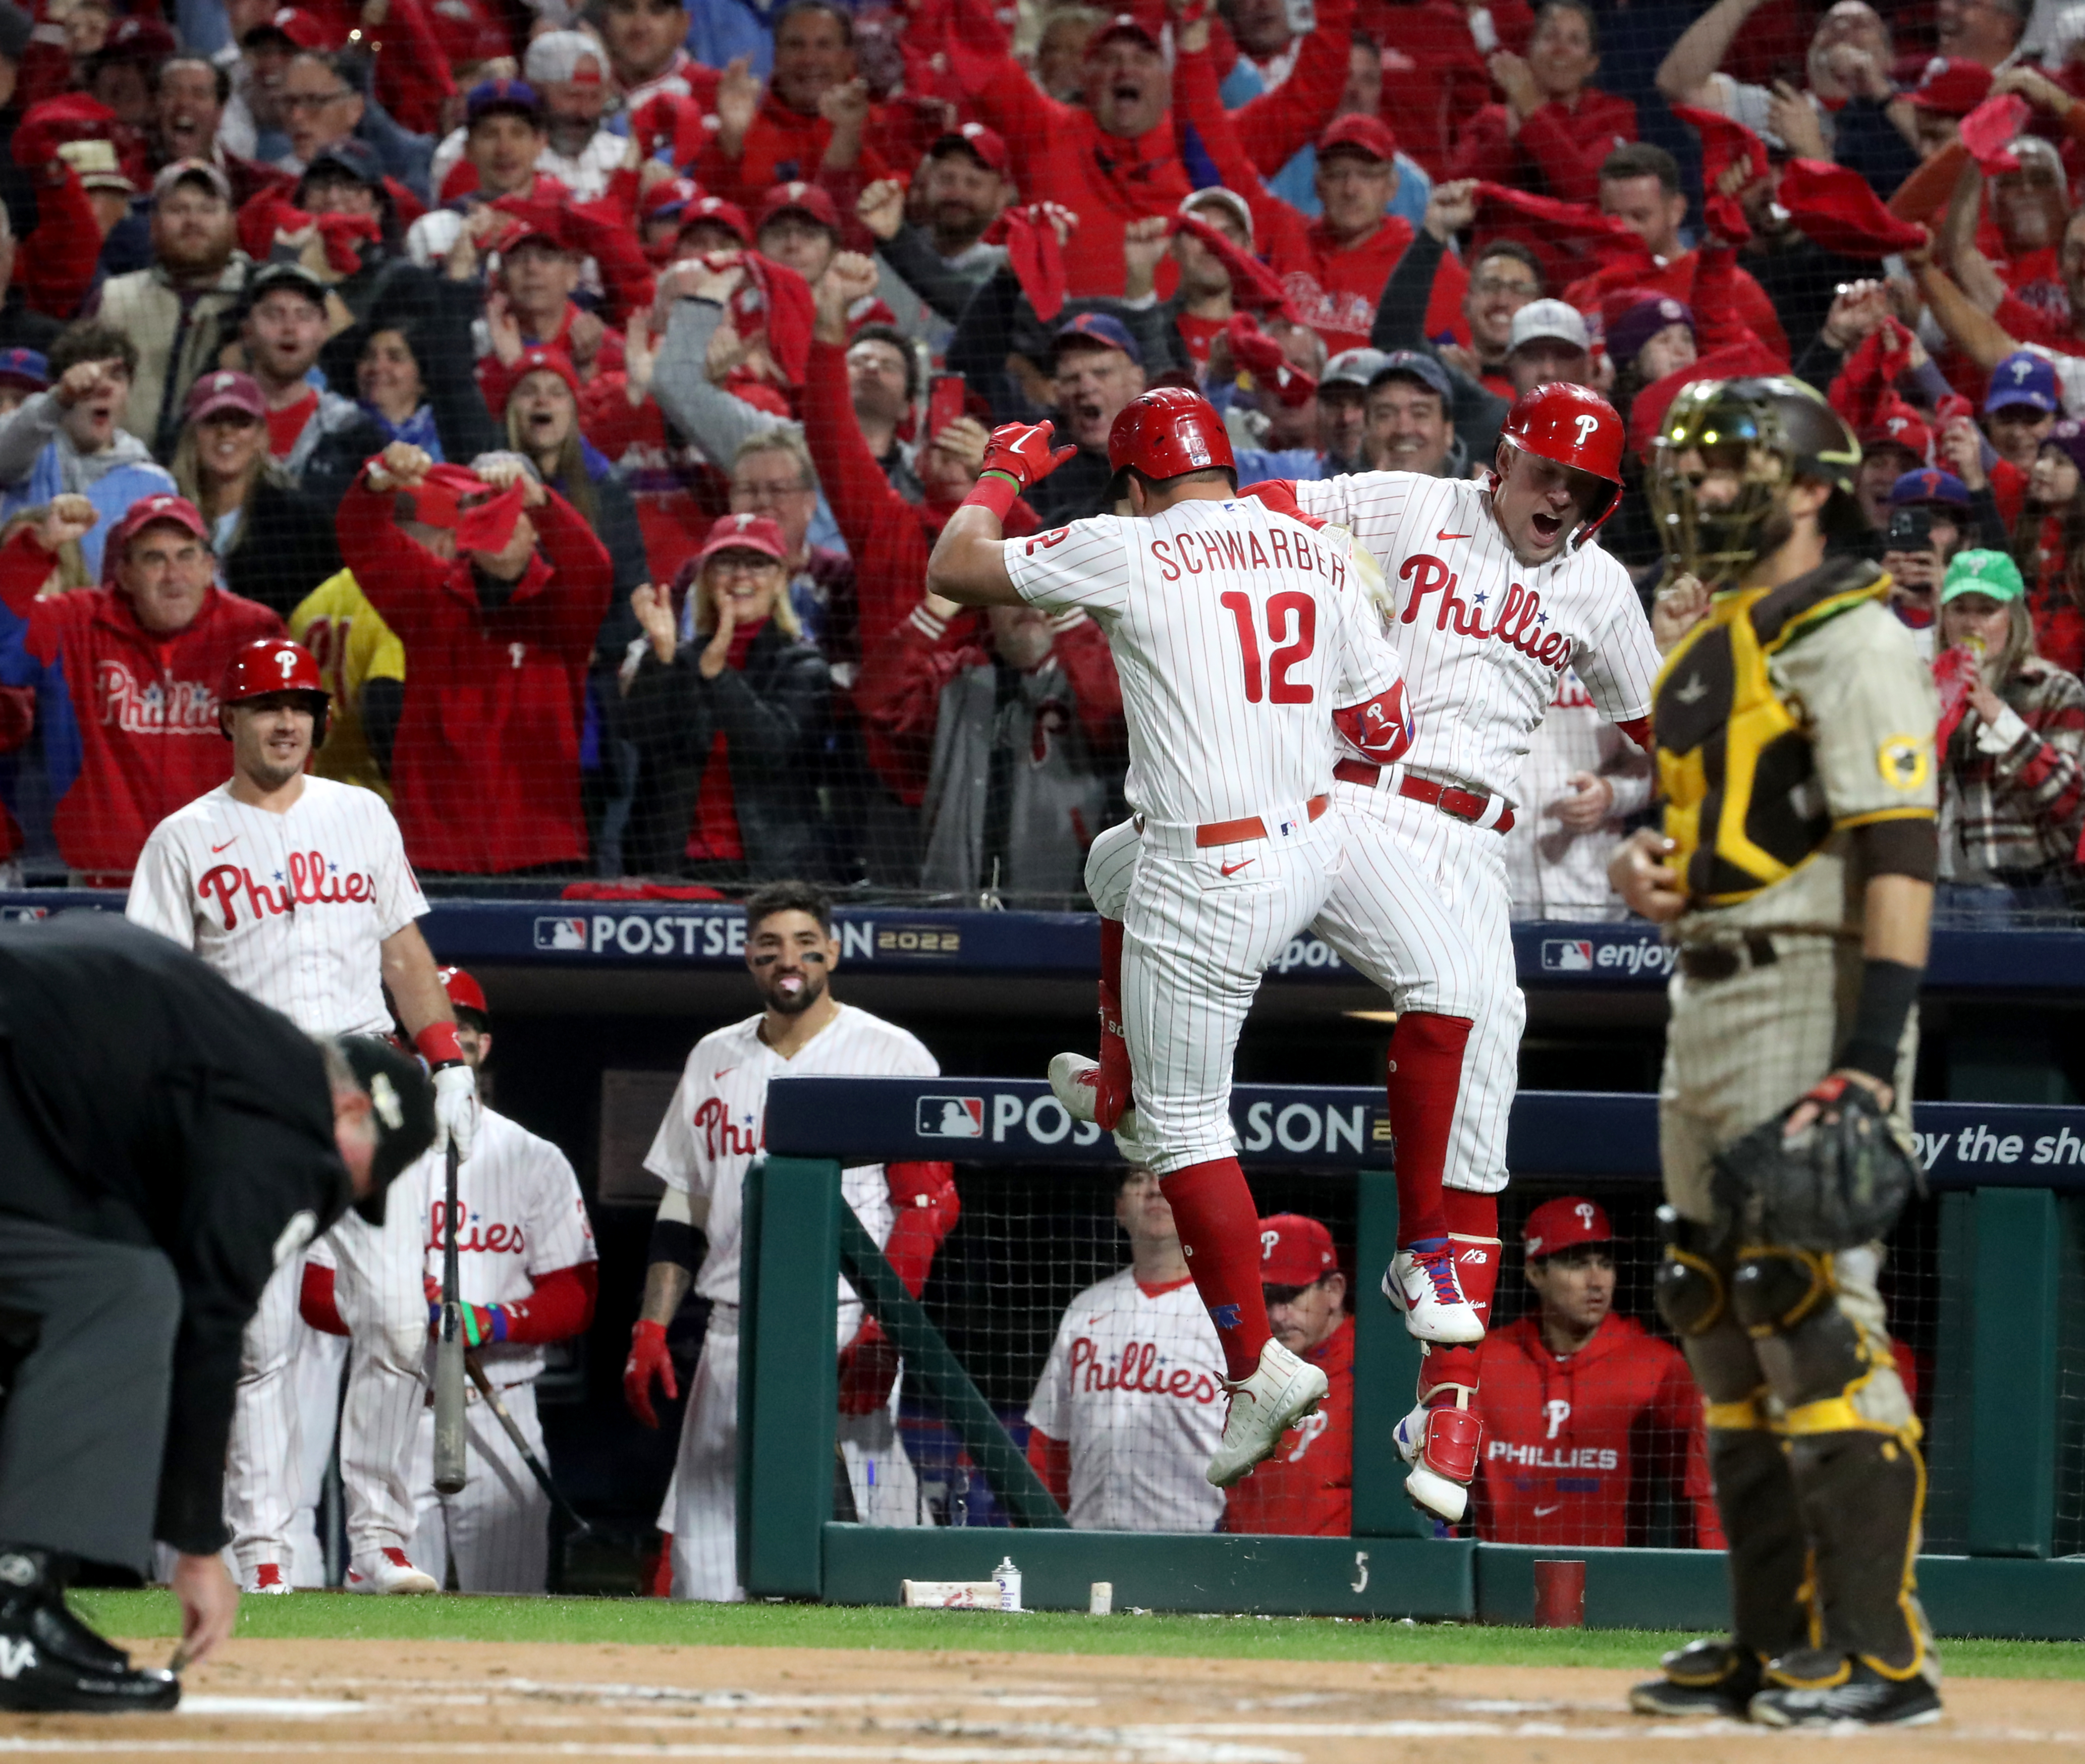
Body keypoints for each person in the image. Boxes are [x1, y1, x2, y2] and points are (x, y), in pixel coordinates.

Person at [925, 389, 1425, 1490]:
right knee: (1114, 858)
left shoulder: (1131, 541)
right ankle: (1113, 1082)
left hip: (1214, 871)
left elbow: (955, 568)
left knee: (1189, 1127)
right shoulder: (1308, 544)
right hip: (1302, 843)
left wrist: (1002, 469)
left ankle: (1258, 1365)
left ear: (1140, 485)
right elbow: (1384, 728)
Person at [1244, 381, 1660, 1523]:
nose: (1559, 498)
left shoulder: (1599, 586)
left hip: (1475, 843)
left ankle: (1451, 1399)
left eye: (1583, 488)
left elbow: (1662, 726)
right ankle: (1421, 1248)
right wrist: (1318, 560)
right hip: (1347, 795)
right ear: (1505, 461)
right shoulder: (1413, 504)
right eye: (1546, 473)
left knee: (1495, 1039)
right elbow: (1260, 506)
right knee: (1453, 995)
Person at [1615, 374, 1941, 1727]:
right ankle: (1768, 1639)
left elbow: (1898, 850)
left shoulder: (1859, 639)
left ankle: (1880, 1658)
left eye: (1731, 469)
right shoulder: (1717, 644)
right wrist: (1658, 872)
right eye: (1689, 471)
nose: (1700, 494)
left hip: (1811, 988)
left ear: (1811, 488)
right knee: (1711, 1304)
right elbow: (1739, 832)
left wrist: (1869, 1054)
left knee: (1802, 1296)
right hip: (1704, 989)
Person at [0, 913, 432, 1711]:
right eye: (356, 1180)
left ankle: (27, 1598)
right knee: (122, 1294)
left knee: (91, 1284)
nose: (336, 1203)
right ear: (350, 1115)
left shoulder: (231, 1057)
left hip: (27, 1106)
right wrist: (198, 1544)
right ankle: (11, 1614)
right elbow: (211, 1316)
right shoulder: (284, 1110)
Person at [124, 634, 479, 1596]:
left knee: (402, 1322)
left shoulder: (361, 813)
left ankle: (379, 1541)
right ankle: (263, 1546)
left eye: (300, 706)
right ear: (229, 720)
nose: (286, 720)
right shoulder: (185, 836)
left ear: (318, 721)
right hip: (248, 1097)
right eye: (266, 704)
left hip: (366, 1082)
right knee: (255, 1338)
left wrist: (445, 1060)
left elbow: (404, 951)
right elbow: (154, 991)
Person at [624, 879, 958, 1599]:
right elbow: (684, 1207)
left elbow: (926, 1206)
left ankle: (918, 1668)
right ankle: (711, 1681)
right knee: (707, 1533)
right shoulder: (712, 1056)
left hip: (841, 1319)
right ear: (748, 958)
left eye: (807, 945)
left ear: (833, 953)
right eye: (771, 945)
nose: (790, 959)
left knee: (881, 1514)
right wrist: (652, 1325)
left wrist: (886, 1331)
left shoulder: (890, 1053)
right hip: (731, 1324)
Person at [303, 967, 598, 1592]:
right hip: (394, 1412)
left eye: (461, 1030)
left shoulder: (533, 1156)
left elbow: (576, 1293)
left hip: (500, 1401)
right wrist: (403, 1311)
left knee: (510, 1605)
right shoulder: (362, 1153)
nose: (439, 1046)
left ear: (480, 1047)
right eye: (419, 1033)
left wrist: (488, 1320)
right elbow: (315, 1294)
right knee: (386, 1606)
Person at [335, 443, 614, 874]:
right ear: (462, 523)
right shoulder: (428, 594)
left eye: (509, 504)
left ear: (537, 525)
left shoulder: (563, 605)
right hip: (434, 852)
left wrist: (541, 500)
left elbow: (593, 567)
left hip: (543, 850)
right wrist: (378, 479)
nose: (495, 516)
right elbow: (362, 539)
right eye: (479, 503)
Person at [0, 493, 282, 880]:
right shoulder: (76, 623)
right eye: (154, 559)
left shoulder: (253, 633)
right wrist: (36, 548)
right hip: (103, 888)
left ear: (208, 567)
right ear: (126, 574)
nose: (173, 575)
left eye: (186, 556)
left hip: (227, 883)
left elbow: (288, 747)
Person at [1473, 1197, 1720, 1546]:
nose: (1597, 1281)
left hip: (1614, 1587)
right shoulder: (1487, 1362)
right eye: (1577, 1265)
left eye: (1605, 1264)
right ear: (1535, 1273)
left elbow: (1702, 1493)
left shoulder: (1658, 1367)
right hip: (1499, 1585)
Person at [621, 513, 831, 881]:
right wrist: (661, 659)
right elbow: (641, 734)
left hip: (769, 872)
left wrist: (719, 677)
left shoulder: (803, 665)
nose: (741, 576)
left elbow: (774, 747)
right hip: (673, 865)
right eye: (727, 563)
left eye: (757, 564)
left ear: (782, 578)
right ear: (706, 577)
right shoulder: (679, 658)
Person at [1023, 1168, 1228, 1532]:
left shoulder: (1226, 1314)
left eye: (1168, 1179)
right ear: (1120, 1210)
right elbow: (1049, 1445)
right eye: (1138, 1179)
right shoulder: (1087, 1309)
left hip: (1194, 1548)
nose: (1153, 1190)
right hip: (1088, 1543)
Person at [1932, 548, 2085, 922]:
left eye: (1987, 610)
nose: (1971, 623)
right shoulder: (1923, 689)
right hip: (1935, 887)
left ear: (2014, 618)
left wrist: (1998, 717)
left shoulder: (2055, 689)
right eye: (1960, 608)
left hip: (2027, 892)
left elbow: (2073, 800)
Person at [89, 159, 249, 458]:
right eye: (177, 210)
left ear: (232, 221)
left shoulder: (259, 297)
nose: (193, 221)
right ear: (153, 225)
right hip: (122, 472)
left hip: (220, 476)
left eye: (208, 209)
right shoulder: (114, 298)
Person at [0, 318, 178, 577]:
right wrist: (59, 400)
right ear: (62, 385)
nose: (104, 387)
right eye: (90, 375)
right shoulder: (30, 451)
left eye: (116, 376)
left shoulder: (154, 484)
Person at [1221, 1214, 1354, 1536]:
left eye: (1291, 1295)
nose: (1278, 1316)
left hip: (1341, 1575)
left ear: (1334, 1290)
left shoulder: (1376, 1370)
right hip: (1251, 1572)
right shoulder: (1253, 1371)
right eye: (1266, 1297)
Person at [169, 368, 341, 617]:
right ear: (191, 435)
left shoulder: (302, 522)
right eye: (212, 421)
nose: (226, 432)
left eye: (241, 422)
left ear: (261, 436)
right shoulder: (167, 516)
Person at [1505, 670, 1655, 919]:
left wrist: (1610, 795)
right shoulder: (1475, 645)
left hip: (1591, 885)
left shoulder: (1611, 648)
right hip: (1500, 881)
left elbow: (1656, 769)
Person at [239, 261, 386, 508]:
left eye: (304, 316)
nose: (290, 329)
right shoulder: (211, 420)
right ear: (248, 331)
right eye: (274, 315)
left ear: (324, 330)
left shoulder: (354, 432)